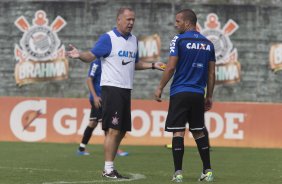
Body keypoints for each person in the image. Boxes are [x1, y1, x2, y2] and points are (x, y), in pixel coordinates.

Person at [67, 7, 164, 179]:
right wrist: (78, 54)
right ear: (118, 20)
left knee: (122, 131)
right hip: (111, 89)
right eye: (128, 19)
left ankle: (110, 167)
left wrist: (152, 65)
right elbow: (90, 55)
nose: (131, 22)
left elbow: (134, 63)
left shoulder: (134, 40)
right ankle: (108, 169)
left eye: (133, 19)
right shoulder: (108, 38)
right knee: (113, 130)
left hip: (126, 90)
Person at [154, 9, 215, 182]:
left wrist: (160, 87)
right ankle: (207, 171)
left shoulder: (179, 40)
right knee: (198, 132)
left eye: (178, 21)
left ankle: (178, 173)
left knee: (178, 132)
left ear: (188, 22)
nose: (176, 24)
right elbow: (211, 74)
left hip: (180, 92)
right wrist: (209, 96)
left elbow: (171, 67)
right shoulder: (208, 44)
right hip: (197, 94)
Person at [77, 59, 128, 157]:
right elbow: (89, 79)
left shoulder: (110, 62)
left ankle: (81, 148)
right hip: (98, 99)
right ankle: (114, 149)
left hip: (107, 98)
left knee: (94, 123)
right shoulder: (96, 63)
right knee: (106, 124)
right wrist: (95, 96)